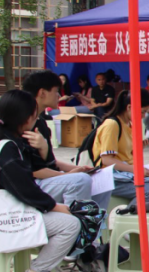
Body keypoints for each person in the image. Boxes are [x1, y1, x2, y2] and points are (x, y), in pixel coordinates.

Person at [0, 90, 81, 272]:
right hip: (3, 219)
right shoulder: (7, 147)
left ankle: (42, 269)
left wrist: (43, 149)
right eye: (34, 114)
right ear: (27, 117)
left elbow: (34, 174)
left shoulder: (4, 138)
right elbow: (25, 189)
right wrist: (55, 206)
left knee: (63, 217)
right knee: (70, 224)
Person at [20, 71, 107, 207]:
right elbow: (34, 170)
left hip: (47, 178)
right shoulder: (24, 125)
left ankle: (96, 219)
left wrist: (80, 168)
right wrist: (70, 174)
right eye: (56, 91)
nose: (59, 96)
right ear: (42, 93)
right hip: (32, 184)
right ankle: (77, 218)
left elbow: (50, 161)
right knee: (80, 180)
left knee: (101, 180)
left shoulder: (40, 122)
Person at [92, 89, 149, 209]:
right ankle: (128, 215)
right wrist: (136, 170)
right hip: (109, 177)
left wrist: (139, 149)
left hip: (125, 173)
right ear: (129, 107)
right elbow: (106, 160)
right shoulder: (112, 125)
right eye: (143, 112)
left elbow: (125, 155)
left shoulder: (129, 125)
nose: (143, 116)